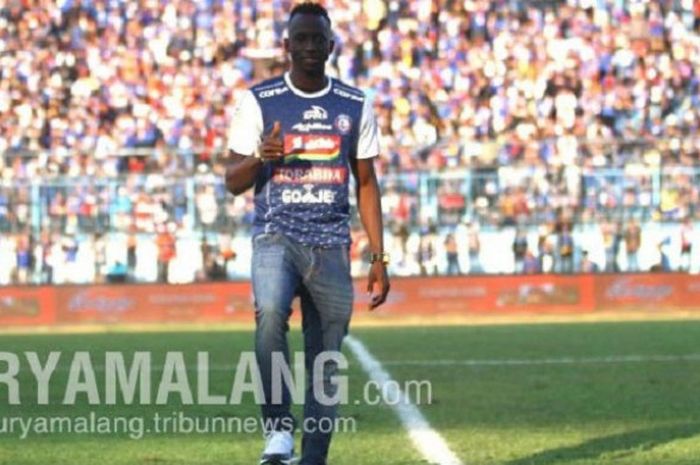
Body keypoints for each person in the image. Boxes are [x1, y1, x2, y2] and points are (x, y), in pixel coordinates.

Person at [224, 3, 390, 465]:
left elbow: (368, 182)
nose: (310, 47)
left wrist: (379, 258)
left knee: (326, 357)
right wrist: (262, 157)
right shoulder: (259, 100)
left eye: (318, 39)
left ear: (331, 46)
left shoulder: (355, 105)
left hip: (333, 244)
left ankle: (313, 456)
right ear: (287, 46)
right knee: (271, 310)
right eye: (302, 38)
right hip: (276, 236)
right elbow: (232, 181)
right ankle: (278, 431)